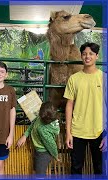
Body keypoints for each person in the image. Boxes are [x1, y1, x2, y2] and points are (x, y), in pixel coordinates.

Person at [64, 42, 107, 175]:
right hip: (77, 131)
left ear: (97, 56)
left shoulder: (104, 78)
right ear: (81, 56)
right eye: (84, 54)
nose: (87, 56)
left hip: (100, 131)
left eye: (91, 54)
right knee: (75, 169)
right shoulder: (74, 79)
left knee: (100, 169)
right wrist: (68, 132)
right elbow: (69, 105)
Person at [16, 102, 60, 175]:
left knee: (39, 175)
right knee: (36, 172)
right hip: (38, 150)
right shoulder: (41, 118)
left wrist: (56, 155)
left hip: (43, 153)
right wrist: (25, 135)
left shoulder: (43, 129)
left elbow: (51, 144)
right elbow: (34, 123)